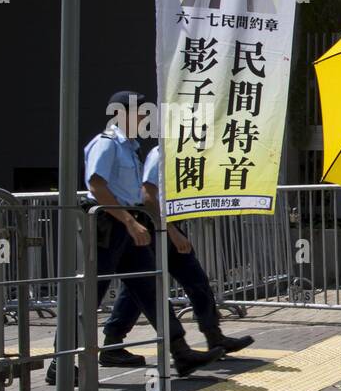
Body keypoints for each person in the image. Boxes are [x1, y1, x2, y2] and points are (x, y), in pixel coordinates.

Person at [47, 92, 224, 385]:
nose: (146, 117)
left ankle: (181, 352)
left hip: (130, 226)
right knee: (88, 298)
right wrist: (129, 221)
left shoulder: (131, 148)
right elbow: (96, 184)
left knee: (152, 291)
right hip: (108, 226)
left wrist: (139, 222)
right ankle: (60, 364)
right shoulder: (106, 143)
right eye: (141, 112)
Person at [103, 142, 254, 365]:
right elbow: (148, 196)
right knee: (140, 288)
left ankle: (213, 336)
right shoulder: (161, 153)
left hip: (167, 228)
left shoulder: (183, 153)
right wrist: (171, 232)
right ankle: (113, 342)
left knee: (195, 280)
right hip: (157, 229)